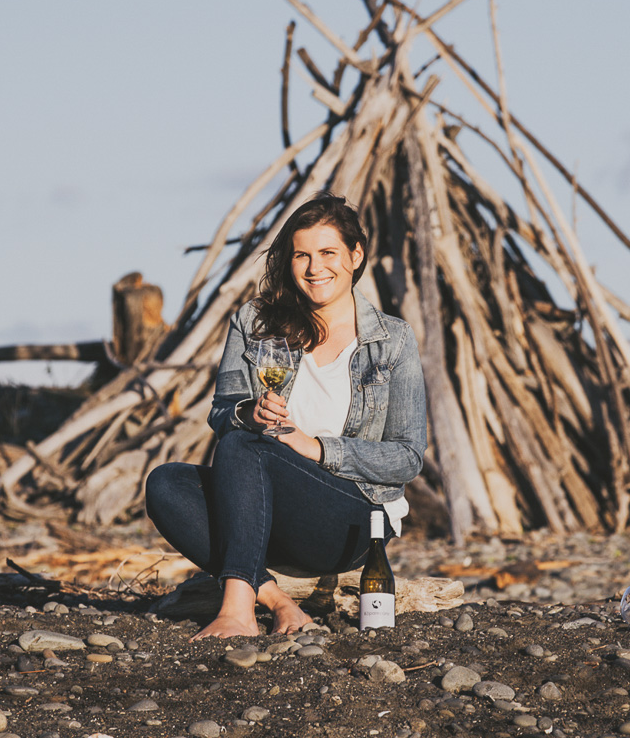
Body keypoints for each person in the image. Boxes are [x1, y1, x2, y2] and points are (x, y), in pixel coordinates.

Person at [145, 194, 427, 640]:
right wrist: (247, 412)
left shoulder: (392, 339)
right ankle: (279, 601)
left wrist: (316, 448)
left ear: (356, 255)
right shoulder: (254, 322)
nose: (315, 268)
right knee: (166, 483)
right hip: (261, 508)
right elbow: (223, 412)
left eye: (328, 253)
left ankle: (236, 611)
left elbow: (407, 457)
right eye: (302, 255)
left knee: (243, 447)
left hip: (350, 515)